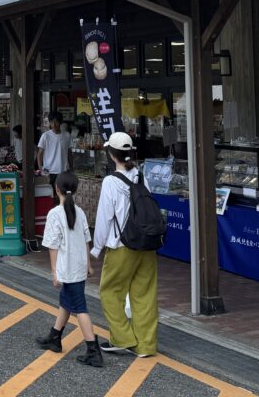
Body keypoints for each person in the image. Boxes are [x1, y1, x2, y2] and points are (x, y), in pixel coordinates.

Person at [92, 132, 157, 358]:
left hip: (121, 246)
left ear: (111, 155)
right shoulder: (140, 176)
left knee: (110, 291)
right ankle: (146, 345)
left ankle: (122, 338)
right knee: (145, 294)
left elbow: (104, 218)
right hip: (146, 245)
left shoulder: (111, 182)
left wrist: (96, 247)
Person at [35, 171, 102, 367]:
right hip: (79, 266)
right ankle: (54, 337)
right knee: (67, 301)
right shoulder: (79, 212)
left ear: (56, 189)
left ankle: (93, 350)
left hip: (67, 267)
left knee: (80, 307)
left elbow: (52, 246)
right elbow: (86, 240)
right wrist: (88, 265)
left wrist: (55, 273)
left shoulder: (55, 214)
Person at [37, 112, 72, 198]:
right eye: (51, 122)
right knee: (50, 195)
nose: (54, 124)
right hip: (49, 171)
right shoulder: (45, 136)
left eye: (56, 122)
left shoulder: (67, 135)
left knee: (62, 195)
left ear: (60, 122)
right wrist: (41, 168)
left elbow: (69, 153)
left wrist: (71, 167)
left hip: (63, 170)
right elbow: (39, 154)